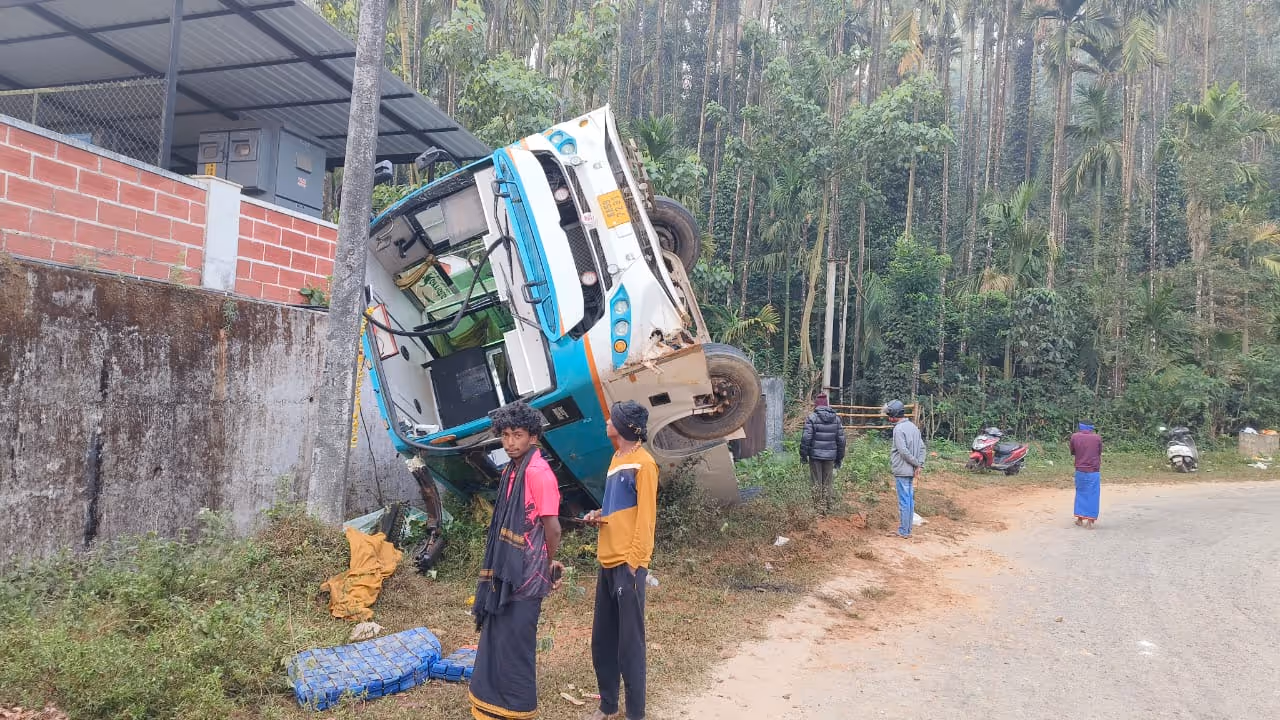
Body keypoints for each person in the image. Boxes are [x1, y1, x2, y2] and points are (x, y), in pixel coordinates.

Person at [469, 401, 564, 720]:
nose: (510, 443)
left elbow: (553, 528)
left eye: (518, 435)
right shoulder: (512, 470)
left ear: (533, 437)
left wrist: (547, 564)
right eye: (506, 435)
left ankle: (517, 708)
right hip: (506, 570)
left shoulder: (538, 473)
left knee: (517, 642)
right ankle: (491, 704)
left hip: (527, 573)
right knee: (499, 635)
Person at [583, 400, 657, 720]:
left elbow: (646, 518)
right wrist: (598, 515)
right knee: (603, 641)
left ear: (625, 427)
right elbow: (617, 507)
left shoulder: (644, 464)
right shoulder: (616, 459)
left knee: (630, 645)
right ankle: (608, 705)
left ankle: (635, 713)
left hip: (628, 564)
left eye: (612, 419)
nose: (607, 422)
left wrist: (634, 562)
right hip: (607, 561)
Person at [799, 393, 846, 515]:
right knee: (827, 483)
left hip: (815, 456)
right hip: (830, 457)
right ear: (827, 404)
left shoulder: (812, 418)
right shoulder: (836, 419)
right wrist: (839, 458)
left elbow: (806, 438)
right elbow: (841, 441)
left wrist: (803, 455)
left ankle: (818, 510)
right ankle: (827, 509)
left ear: (816, 404)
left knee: (816, 482)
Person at [886, 399, 924, 539]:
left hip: (902, 470)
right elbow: (922, 448)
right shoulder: (914, 427)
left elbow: (903, 451)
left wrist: (916, 463)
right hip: (911, 470)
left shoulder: (898, 429)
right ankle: (907, 530)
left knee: (904, 500)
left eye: (889, 415)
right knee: (909, 500)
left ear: (894, 415)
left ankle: (904, 531)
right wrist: (919, 464)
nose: (888, 418)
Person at [1070, 421, 1103, 529]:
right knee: (1093, 495)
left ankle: (1079, 520)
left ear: (1081, 427)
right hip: (1093, 471)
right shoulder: (1097, 438)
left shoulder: (1074, 437)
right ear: (1091, 428)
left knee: (1080, 493)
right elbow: (1099, 452)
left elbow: (1073, 451)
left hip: (1080, 470)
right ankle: (1089, 522)